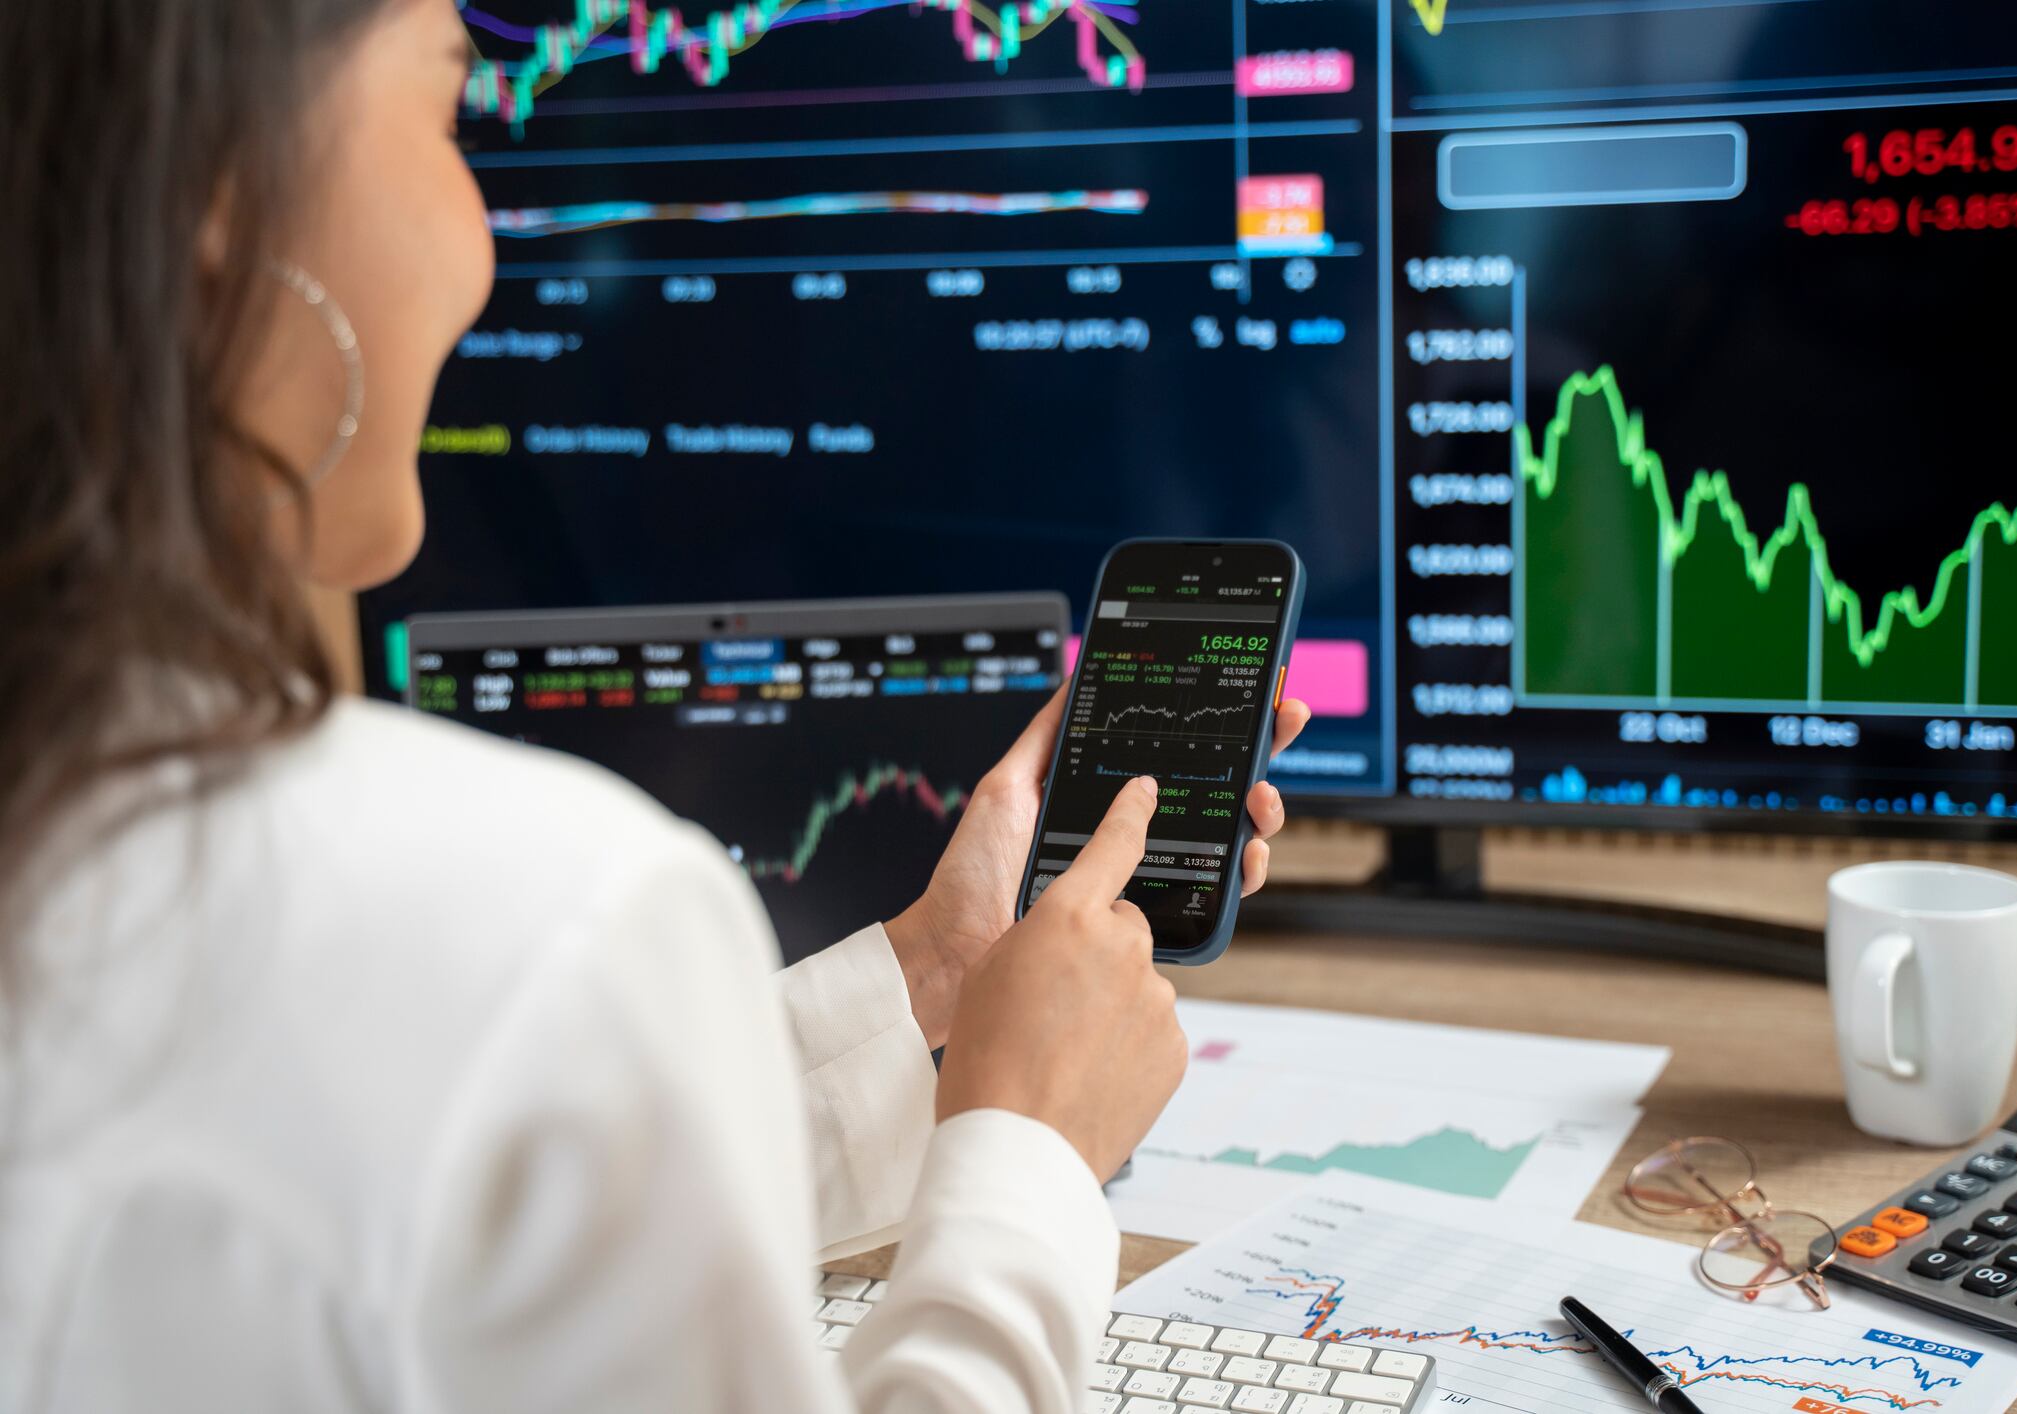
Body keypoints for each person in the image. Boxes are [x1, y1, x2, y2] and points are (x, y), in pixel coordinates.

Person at [0, 1, 1313, 1410]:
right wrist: (1029, 1154)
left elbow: (478, 1210)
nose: (484, 243)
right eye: (452, 117)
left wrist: (929, 973)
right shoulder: (566, 909)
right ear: (219, 196)